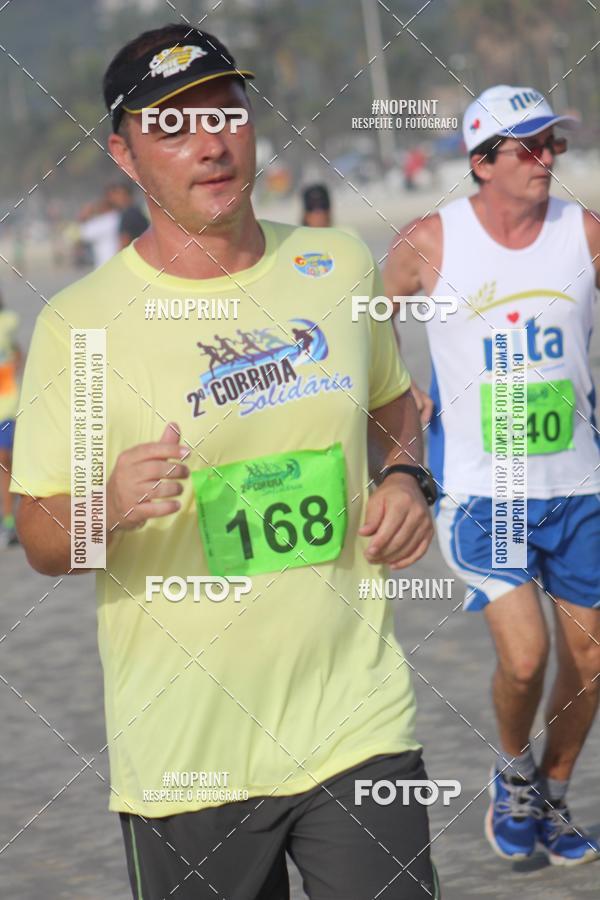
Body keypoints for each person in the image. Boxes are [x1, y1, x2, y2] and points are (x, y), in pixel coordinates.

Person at [12, 24, 440, 900]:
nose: (209, 142)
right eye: (172, 126)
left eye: (225, 113)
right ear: (125, 154)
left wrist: (406, 478)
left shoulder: (334, 265)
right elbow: (42, 538)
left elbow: (394, 406)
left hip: (357, 722)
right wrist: (109, 504)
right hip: (188, 757)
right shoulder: (80, 327)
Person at [384, 84, 600, 867]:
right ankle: (513, 776)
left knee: (590, 661)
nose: (547, 158)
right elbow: (369, 316)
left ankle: (554, 791)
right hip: (485, 492)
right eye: (529, 146)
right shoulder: (430, 242)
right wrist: (398, 390)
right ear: (482, 161)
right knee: (526, 656)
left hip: (580, 487)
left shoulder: (584, 232)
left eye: (553, 144)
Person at [0, 290, 21, 547]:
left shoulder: (7, 321)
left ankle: (8, 521)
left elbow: (17, 352)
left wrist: (13, 367)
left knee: (4, 459)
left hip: (6, 404)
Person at [78, 194, 120, 268]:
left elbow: (83, 234)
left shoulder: (106, 220)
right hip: (113, 261)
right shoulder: (116, 217)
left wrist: (84, 216)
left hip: (107, 263)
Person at [106, 181, 149, 248]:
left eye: (116, 194)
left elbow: (124, 242)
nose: (112, 199)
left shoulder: (128, 215)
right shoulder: (135, 211)